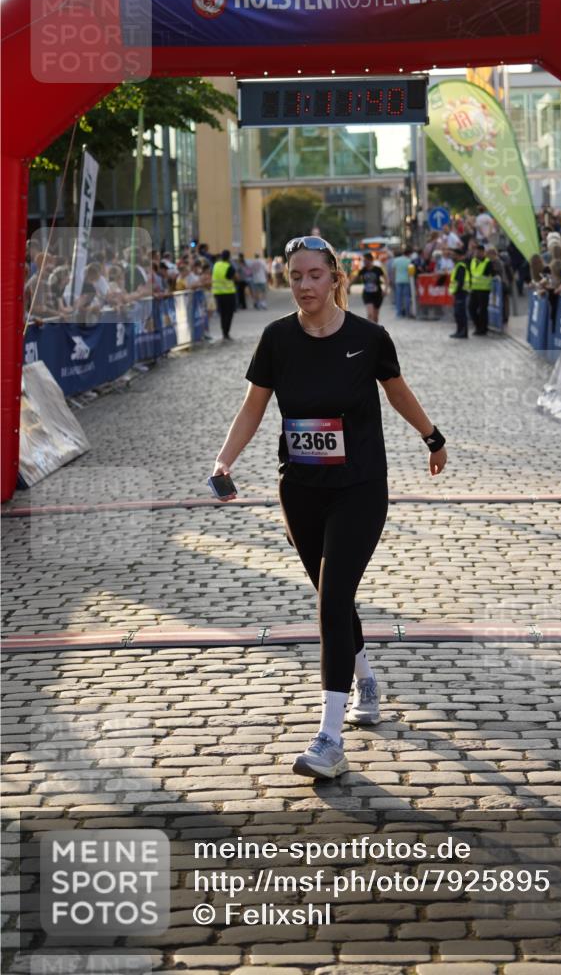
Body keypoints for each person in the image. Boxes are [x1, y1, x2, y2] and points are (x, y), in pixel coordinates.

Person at [210, 235, 447, 780]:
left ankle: (330, 737)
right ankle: (364, 676)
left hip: (360, 486)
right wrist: (225, 461)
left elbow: (398, 392)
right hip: (300, 489)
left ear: (336, 277)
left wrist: (433, 438)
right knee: (332, 598)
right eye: (295, 276)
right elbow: (253, 408)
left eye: (315, 275)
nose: (304, 286)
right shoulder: (276, 339)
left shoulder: (369, 338)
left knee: (333, 598)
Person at [350, 251, 385, 323]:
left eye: (365, 260)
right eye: (364, 260)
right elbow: (355, 278)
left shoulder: (377, 269)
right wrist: (349, 286)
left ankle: (376, 330)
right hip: (367, 294)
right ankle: (370, 330)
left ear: (371, 260)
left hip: (378, 294)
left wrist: (386, 288)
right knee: (370, 314)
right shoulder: (363, 270)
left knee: (375, 316)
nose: (364, 262)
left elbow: (386, 278)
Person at [467, 242, 493, 335]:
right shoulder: (473, 261)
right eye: (476, 252)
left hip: (484, 290)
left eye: (479, 252)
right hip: (474, 289)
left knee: (483, 310)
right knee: (471, 309)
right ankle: (478, 326)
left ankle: (483, 329)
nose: (477, 254)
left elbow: (489, 274)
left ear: (483, 252)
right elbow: (471, 274)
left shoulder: (488, 262)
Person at [212, 250, 237, 341]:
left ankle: (223, 332)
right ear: (229, 257)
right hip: (229, 294)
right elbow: (236, 278)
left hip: (218, 294)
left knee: (222, 314)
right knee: (229, 314)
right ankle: (226, 333)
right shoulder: (229, 266)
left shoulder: (216, 265)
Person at [447, 247, 470, 339]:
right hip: (458, 293)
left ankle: (462, 332)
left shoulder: (461, 266)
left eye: (454, 255)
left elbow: (460, 281)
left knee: (460, 313)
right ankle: (459, 331)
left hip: (461, 292)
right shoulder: (458, 265)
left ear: (459, 256)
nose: (452, 257)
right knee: (458, 313)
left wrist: (456, 291)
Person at [392, 247, 412, 318]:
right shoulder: (409, 260)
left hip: (398, 280)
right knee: (407, 297)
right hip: (406, 280)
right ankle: (407, 312)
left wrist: (394, 279)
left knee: (398, 297)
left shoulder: (396, 260)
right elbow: (410, 272)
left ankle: (399, 313)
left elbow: (394, 271)